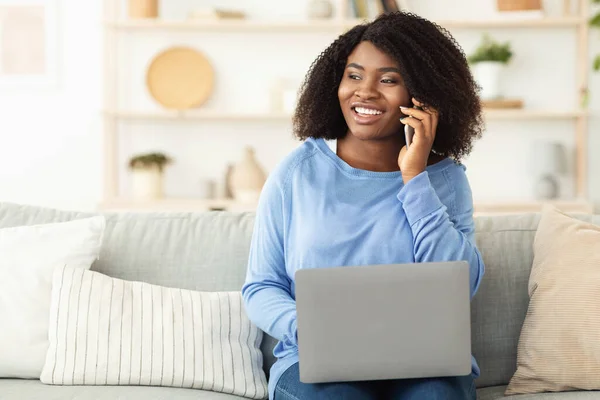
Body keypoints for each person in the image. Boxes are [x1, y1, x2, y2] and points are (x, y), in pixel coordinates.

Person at [241, 10, 485, 400]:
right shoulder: (296, 174)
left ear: (422, 95)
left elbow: (461, 284)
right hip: (315, 365)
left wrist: (415, 178)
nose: (365, 92)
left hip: (425, 365)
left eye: (388, 80)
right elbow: (261, 286)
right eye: (353, 76)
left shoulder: (447, 179)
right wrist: (308, 327)